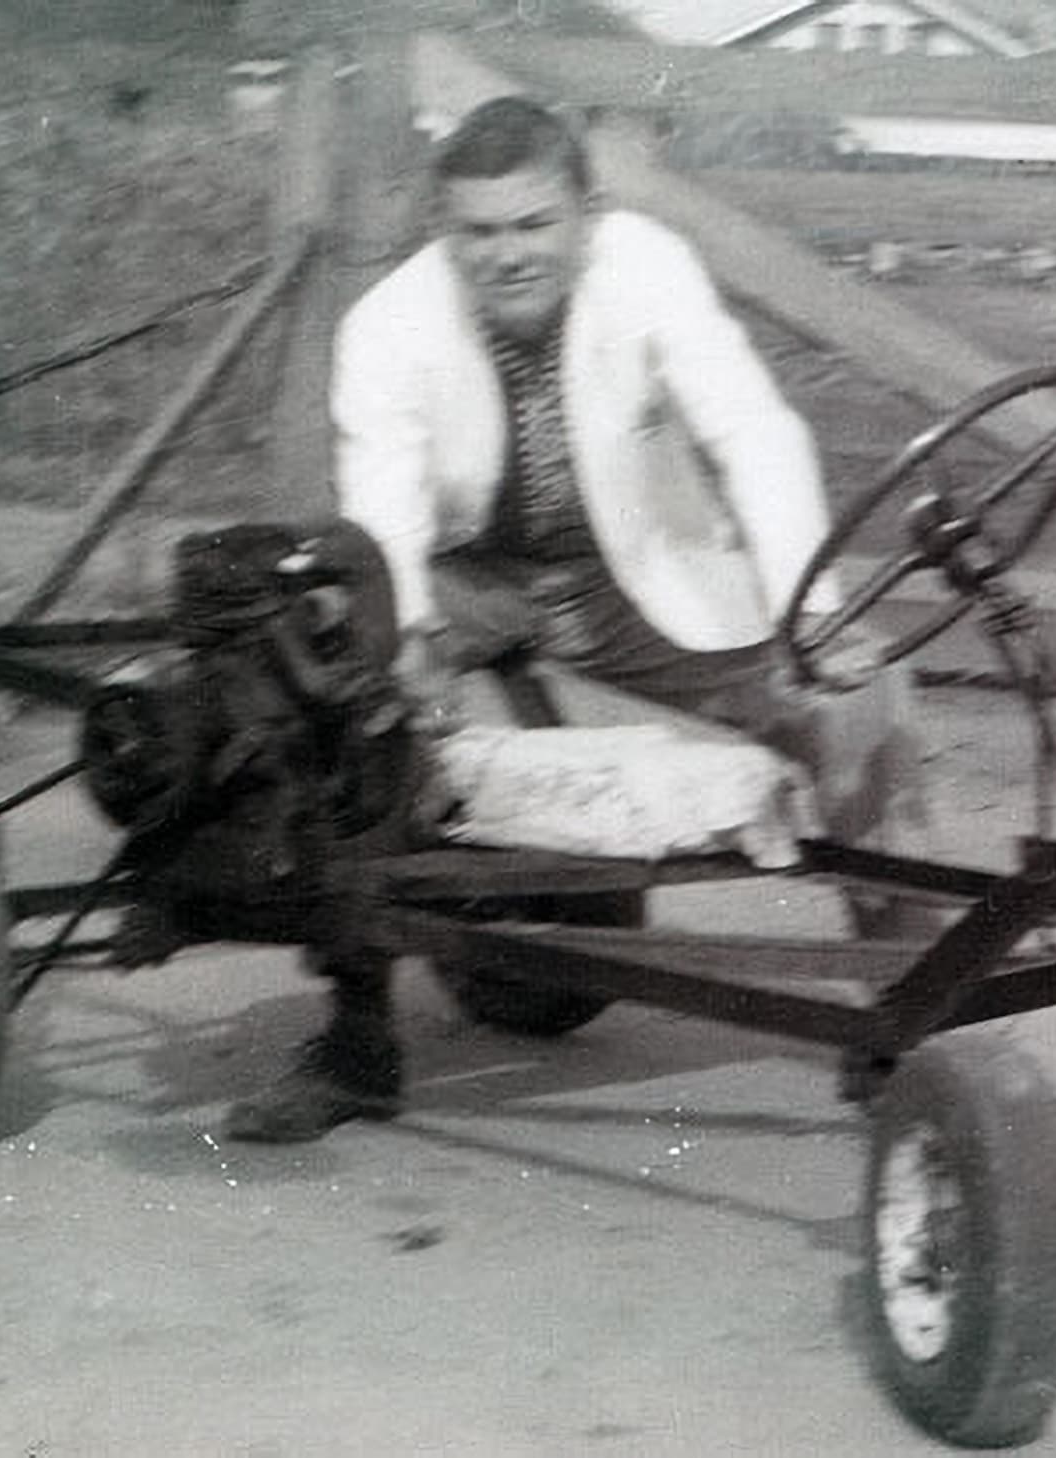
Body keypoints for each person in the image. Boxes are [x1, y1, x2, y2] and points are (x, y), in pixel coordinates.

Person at [224, 96, 934, 1143]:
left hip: (630, 577)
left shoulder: (645, 265)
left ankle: (905, 1036)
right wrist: (405, 636)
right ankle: (354, 1041)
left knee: (860, 693)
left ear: (583, 217)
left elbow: (751, 429)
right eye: (478, 231)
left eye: (532, 225)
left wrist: (811, 612)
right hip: (467, 579)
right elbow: (381, 505)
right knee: (339, 699)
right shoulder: (387, 326)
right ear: (443, 230)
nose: (507, 255)